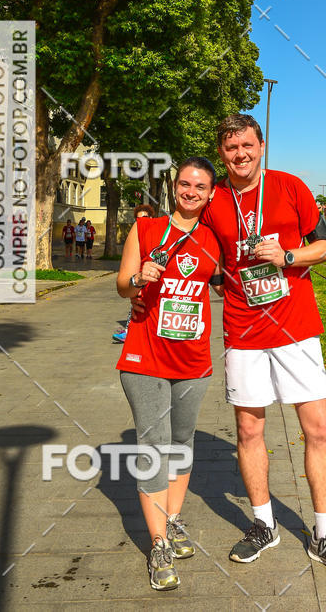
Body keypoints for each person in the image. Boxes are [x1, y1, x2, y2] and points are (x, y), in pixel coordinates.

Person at [200, 114, 326, 578]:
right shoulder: (215, 202)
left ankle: (324, 535)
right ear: (223, 153)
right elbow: (204, 260)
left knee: (319, 430)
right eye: (231, 149)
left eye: (247, 145)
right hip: (243, 331)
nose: (240, 155)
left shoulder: (291, 187)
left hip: (296, 330)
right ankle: (263, 525)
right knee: (250, 432)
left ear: (261, 144)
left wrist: (288, 256)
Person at [116, 158, 222, 592]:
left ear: (211, 193)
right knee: (153, 448)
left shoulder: (215, 241)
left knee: (181, 444)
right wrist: (139, 281)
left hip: (193, 361)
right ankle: (158, 542)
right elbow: (122, 285)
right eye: (184, 183)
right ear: (173, 186)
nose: (191, 191)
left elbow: (227, 283)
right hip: (145, 356)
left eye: (200, 186)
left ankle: (173, 522)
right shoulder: (146, 230)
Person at [113, 205, 155, 343]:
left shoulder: (158, 234)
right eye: (138, 218)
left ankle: (130, 330)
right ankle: (129, 329)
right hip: (139, 276)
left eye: (144, 217)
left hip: (153, 278)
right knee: (136, 302)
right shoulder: (135, 233)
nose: (141, 220)